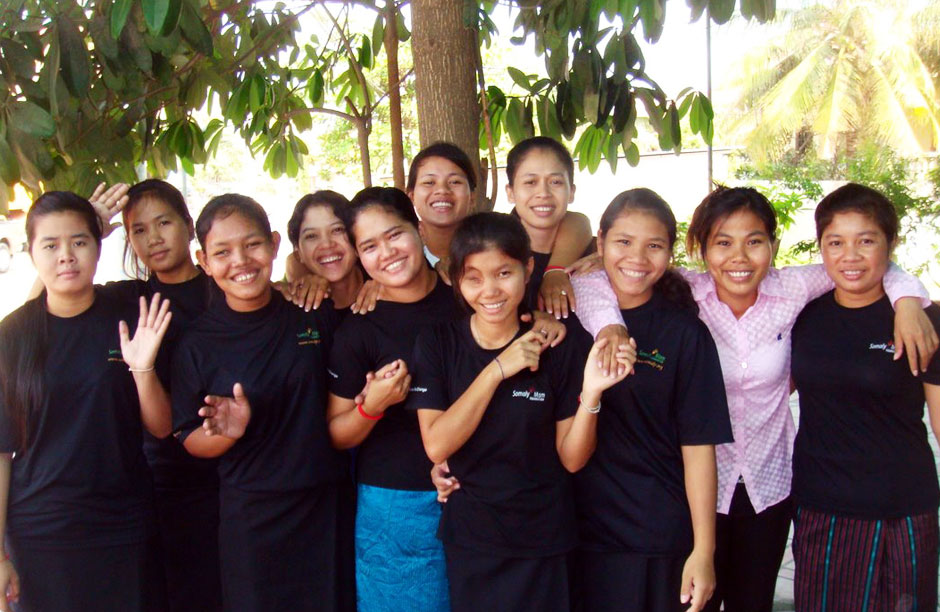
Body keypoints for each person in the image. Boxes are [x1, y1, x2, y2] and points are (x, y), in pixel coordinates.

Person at [571, 186, 936, 612]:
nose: (739, 258)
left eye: (754, 242)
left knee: (753, 602)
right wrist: (608, 325)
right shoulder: (685, 292)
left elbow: (859, 266)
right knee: (693, 601)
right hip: (695, 488)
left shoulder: (793, 290)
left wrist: (909, 300)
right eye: (723, 243)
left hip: (770, 485)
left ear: (773, 246)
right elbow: (597, 281)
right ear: (699, 250)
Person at [409, 212, 634, 612]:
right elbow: (436, 444)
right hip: (473, 539)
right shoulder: (438, 343)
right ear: (457, 278)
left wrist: (592, 394)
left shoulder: (558, 346)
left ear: (528, 268)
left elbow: (573, 458)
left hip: (545, 538)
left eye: (504, 273)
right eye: (473, 277)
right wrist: (498, 369)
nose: (489, 290)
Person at [172, 194, 354, 612]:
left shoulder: (311, 310)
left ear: (274, 245)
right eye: (222, 252)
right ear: (203, 260)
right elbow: (187, 436)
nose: (241, 261)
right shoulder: (197, 344)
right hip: (251, 517)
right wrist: (227, 434)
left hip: (325, 507)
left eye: (252, 245)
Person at [0, 191, 172, 612]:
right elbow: (1, 453)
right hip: (42, 531)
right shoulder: (13, 336)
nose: (66, 257)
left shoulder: (131, 313)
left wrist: (143, 369)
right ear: (32, 254)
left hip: (123, 526)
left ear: (98, 246)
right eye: (51, 245)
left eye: (79, 242)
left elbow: (162, 427)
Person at [570, 188, 732, 612]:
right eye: (623, 242)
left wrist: (703, 550)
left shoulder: (685, 334)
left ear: (670, 253)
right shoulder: (569, 321)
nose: (637, 258)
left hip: (661, 537)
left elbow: (699, 448)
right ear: (600, 243)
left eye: (654, 245)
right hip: (580, 537)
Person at [790, 183, 940, 611]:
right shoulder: (805, 316)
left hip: (903, 508)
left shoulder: (924, 320)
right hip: (822, 507)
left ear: (890, 244)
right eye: (836, 242)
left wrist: (910, 303)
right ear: (821, 247)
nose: (850, 256)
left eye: (866, 241)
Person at [504, 136, 594, 318]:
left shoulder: (592, 255)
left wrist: (556, 270)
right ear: (511, 192)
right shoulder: (496, 251)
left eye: (555, 182)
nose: (543, 193)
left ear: (572, 192)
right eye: (530, 182)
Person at [286, 190, 363, 311]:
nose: (327, 244)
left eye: (337, 229)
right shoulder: (291, 308)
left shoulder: (383, 287)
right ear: (298, 252)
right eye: (311, 236)